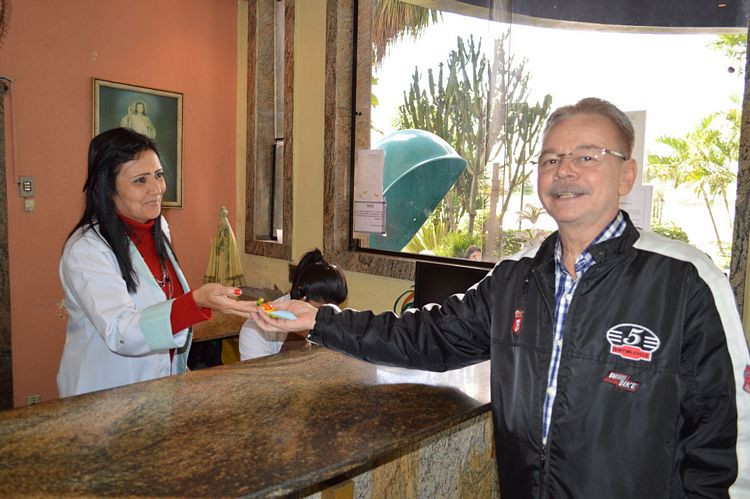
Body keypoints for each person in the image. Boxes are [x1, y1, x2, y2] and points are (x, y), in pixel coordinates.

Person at [252, 98, 750, 497]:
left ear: (626, 174)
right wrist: (319, 320)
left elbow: (728, 433)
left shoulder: (686, 280)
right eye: (551, 159)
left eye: (587, 156)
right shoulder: (517, 276)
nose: (565, 170)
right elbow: (426, 337)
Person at [57, 127, 256, 397]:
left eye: (159, 175)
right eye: (140, 180)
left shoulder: (157, 227)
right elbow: (120, 331)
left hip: (158, 389)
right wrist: (194, 302)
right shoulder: (86, 250)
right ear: (108, 187)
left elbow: (160, 302)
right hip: (106, 393)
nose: (157, 189)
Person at [239, 249, 347, 360]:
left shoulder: (334, 321)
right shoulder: (254, 328)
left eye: (333, 310)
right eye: (319, 311)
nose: (326, 318)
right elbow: (261, 375)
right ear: (301, 299)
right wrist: (297, 334)